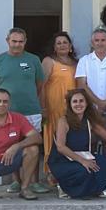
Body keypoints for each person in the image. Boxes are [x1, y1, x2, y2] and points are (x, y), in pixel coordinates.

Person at [0, 28, 48, 192]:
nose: (17, 45)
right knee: (12, 144)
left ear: (25, 42)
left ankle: (34, 181)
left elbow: (39, 85)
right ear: (8, 41)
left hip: (31, 110)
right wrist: (1, 104)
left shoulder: (33, 60)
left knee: (33, 145)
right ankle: (16, 181)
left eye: (20, 41)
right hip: (8, 112)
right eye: (14, 41)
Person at [45, 89, 106, 199]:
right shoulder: (63, 121)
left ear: (86, 103)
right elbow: (60, 147)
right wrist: (83, 161)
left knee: (104, 162)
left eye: (81, 101)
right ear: (70, 104)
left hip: (83, 155)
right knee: (84, 170)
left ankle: (97, 189)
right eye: (75, 101)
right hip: (62, 160)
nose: (78, 104)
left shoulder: (89, 120)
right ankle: (65, 187)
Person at [41, 32, 78, 178]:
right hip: (53, 107)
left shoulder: (77, 63)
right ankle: (51, 172)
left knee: (69, 140)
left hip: (72, 109)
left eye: (65, 42)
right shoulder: (49, 61)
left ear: (70, 46)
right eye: (59, 43)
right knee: (52, 139)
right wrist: (43, 107)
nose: (62, 45)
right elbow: (41, 86)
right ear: (54, 47)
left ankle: (66, 172)